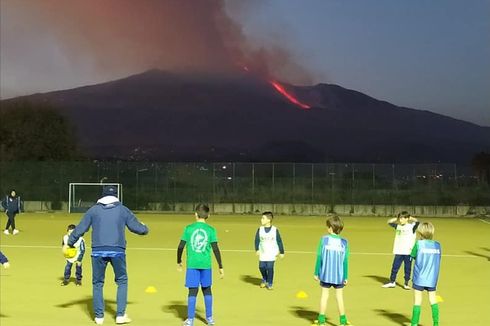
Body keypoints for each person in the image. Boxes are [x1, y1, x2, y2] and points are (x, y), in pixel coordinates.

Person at [65, 185, 148, 325]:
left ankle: (99, 317)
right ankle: (120, 315)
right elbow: (137, 228)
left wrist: (70, 243)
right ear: (116, 195)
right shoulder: (122, 210)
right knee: (122, 281)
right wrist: (145, 229)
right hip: (117, 250)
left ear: (102, 195)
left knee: (97, 283)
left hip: (97, 251)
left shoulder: (94, 210)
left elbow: (81, 228)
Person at [177, 204, 224, 326]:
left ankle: (190, 320)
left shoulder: (188, 228)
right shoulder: (211, 230)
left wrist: (179, 261)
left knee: (192, 292)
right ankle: (209, 319)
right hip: (206, 265)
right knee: (207, 290)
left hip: (192, 265)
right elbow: (215, 249)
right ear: (208, 215)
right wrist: (220, 266)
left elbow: (180, 246)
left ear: (195, 214)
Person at [313, 214, 351, 326]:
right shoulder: (344, 242)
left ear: (330, 228)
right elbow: (345, 261)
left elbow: (319, 257)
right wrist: (345, 276)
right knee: (339, 297)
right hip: (339, 276)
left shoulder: (324, 240)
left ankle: (321, 320)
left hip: (325, 274)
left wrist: (316, 273)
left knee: (324, 295)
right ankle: (343, 321)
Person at [410, 222, 442, 326]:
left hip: (419, 277)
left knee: (417, 301)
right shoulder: (437, 245)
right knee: (433, 300)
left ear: (420, 233)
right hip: (432, 278)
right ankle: (436, 324)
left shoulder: (418, 244)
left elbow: (412, 256)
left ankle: (414, 324)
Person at [382, 211, 419, 289]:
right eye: (400, 218)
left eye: (402, 218)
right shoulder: (398, 226)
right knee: (395, 267)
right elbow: (389, 222)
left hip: (408, 252)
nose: (400, 220)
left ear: (407, 219)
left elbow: (417, 221)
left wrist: (410, 217)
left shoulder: (411, 227)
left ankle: (406, 283)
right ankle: (392, 282)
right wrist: (397, 218)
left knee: (407, 268)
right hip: (399, 251)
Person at [254, 211, 285, 290]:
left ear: (268, 220)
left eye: (263, 218)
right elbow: (257, 240)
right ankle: (264, 278)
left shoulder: (275, 230)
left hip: (272, 253)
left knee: (270, 267)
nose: (261, 220)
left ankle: (270, 283)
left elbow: (279, 241)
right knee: (261, 267)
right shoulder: (260, 229)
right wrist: (257, 249)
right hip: (263, 252)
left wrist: (282, 251)